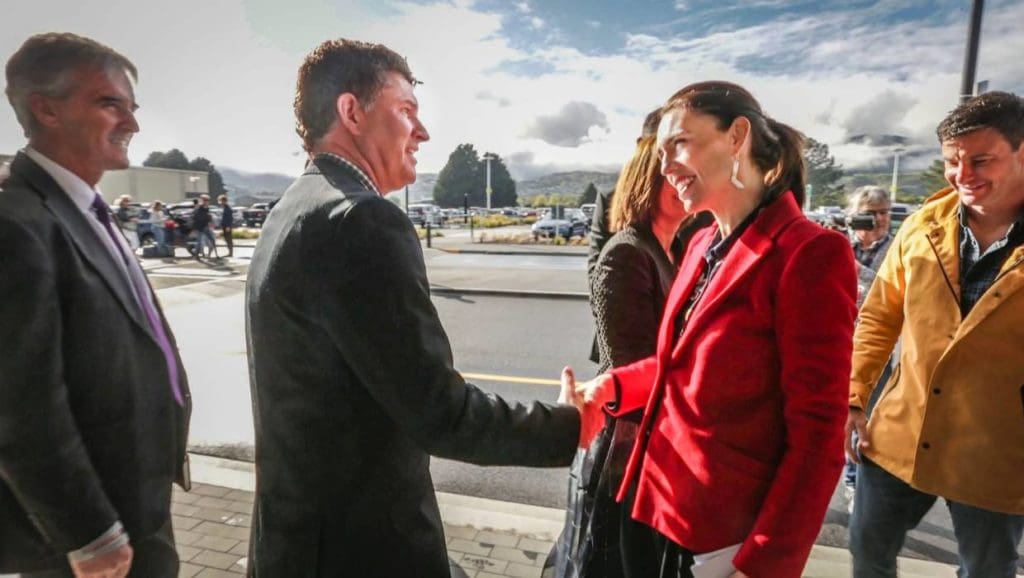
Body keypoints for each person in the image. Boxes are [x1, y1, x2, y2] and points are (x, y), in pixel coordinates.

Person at [245, 38, 580, 577]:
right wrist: (572, 426)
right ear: (351, 112)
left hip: (295, 545)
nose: (421, 132)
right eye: (406, 110)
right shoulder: (361, 220)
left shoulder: (294, 206)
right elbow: (441, 413)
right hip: (362, 555)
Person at [573, 81, 857, 578]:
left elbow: (819, 436)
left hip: (722, 536)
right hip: (654, 505)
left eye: (680, 144)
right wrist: (614, 386)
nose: (666, 166)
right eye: (661, 152)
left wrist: (766, 562)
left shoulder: (810, 254)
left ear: (737, 136)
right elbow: (683, 365)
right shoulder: (702, 241)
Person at [0, 32, 191, 578]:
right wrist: (88, 533)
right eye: (110, 104)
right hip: (89, 536)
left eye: (132, 107)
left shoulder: (83, 207)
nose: (132, 124)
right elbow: (20, 405)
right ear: (46, 109)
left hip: (137, 501)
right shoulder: (16, 223)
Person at [847, 91, 1024, 578]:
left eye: (981, 160)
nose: (962, 175)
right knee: (867, 553)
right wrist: (854, 397)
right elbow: (879, 317)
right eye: (951, 162)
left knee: (986, 569)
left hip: (995, 453)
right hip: (898, 436)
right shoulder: (921, 226)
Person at [841, 185, 895, 497]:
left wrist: (857, 271)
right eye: (871, 213)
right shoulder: (837, 243)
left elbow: (892, 290)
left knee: (865, 417)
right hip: (837, 341)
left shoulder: (899, 248)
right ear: (854, 216)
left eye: (885, 212)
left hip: (876, 348)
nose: (880, 219)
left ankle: (854, 481)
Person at [190, 194, 215, 259]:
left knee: (212, 240)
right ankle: (196, 255)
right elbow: (197, 218)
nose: (206, 201)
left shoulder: (207, 208)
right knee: (199, 242)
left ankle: (209, 255)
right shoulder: (199, 208)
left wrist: (210, 220)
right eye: (205, 200)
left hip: (206, 226)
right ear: (202, 200)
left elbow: (208, 218)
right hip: (200, 227)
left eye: (207, 200)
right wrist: (208, 216)